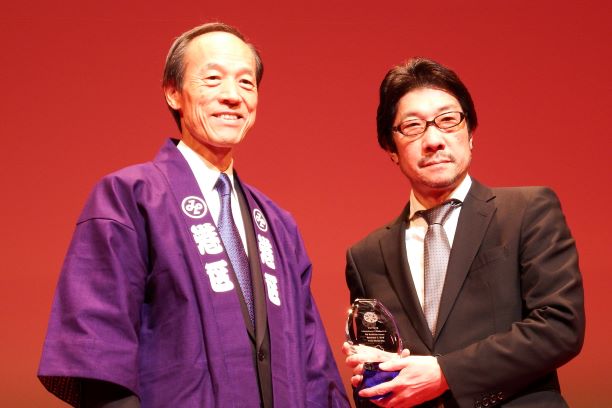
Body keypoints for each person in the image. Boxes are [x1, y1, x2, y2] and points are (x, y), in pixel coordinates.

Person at [38, 22, 348, 407]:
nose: (232, 96)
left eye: (246, 83)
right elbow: (99, 344)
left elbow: (314, 365)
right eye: (213, 79)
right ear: (173, 93)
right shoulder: (130, 197)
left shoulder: (278, 225)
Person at [342, 58, 584, 407]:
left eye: (447, 120)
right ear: (391, 149)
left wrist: (446, 373)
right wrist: (373, 381)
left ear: (470, 134)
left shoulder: (527, 210)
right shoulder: (367, 256)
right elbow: (377, 371)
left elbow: (560, 326)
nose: (433, 140)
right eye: (412, 126)